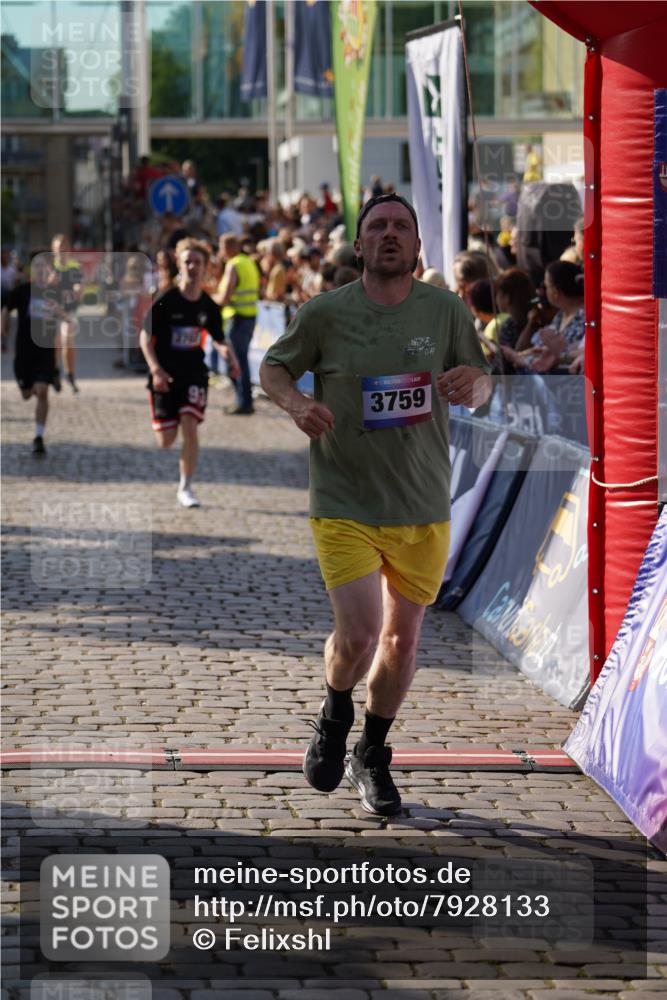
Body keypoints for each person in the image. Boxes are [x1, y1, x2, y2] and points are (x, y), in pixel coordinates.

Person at [260, 193, 491, 816]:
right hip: (344, 499)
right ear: (359, 246)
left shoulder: (445, 311)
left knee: (399, 644)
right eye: (378, 228)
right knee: (359, 633)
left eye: (402, 227)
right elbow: (273, 369)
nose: (390, 235)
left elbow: (482, 376)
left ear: (418, 246)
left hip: (422, 504)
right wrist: (297, 405)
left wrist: (477, 384)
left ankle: (373, 752)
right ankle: (335, 712)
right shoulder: (325, 314)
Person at [139, 238, 240, 508]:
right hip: (165, 376)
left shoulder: (208, 305)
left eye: (198, 262)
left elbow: (218, 337)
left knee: (190, 425)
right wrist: (155, 369)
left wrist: (228, 355)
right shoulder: (166, 301)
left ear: (206, 267)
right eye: (187, 262)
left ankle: (186, 487)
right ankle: (164, 422)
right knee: (166, 440)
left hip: (194, 373)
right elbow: (144, 337)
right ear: (179, 264)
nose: (192, 267)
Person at [1, 252, 62, 456]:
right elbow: (6, 309)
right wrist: (3, 327)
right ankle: (35, 384)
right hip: (24, 353)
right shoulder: (21, 291)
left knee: (42, 392)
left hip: (44, 352)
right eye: (37, 267)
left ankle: (38, 437)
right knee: (28, 394)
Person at [214, 233, 261, 415]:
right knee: (241, 361)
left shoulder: (233, 265)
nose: (220, 251)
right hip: (250, 317)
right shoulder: (248, 262)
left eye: (221, 247)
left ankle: (244, 402)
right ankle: (243, 400)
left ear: (228, 248)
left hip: (237, 318)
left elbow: (224, 297)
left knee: (235, 362)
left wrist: (211, 299)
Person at [50, 234, 82, 392]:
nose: (61, 251)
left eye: (63, 248)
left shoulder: (74, 266)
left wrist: (78, 289)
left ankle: (70, 374)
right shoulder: (50, 266)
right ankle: (55, 372)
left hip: (69, 310)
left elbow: (79, 285)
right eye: (58, 248)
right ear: (53, 250)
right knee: (55, 344)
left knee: (67, 339)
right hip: (52, 311)